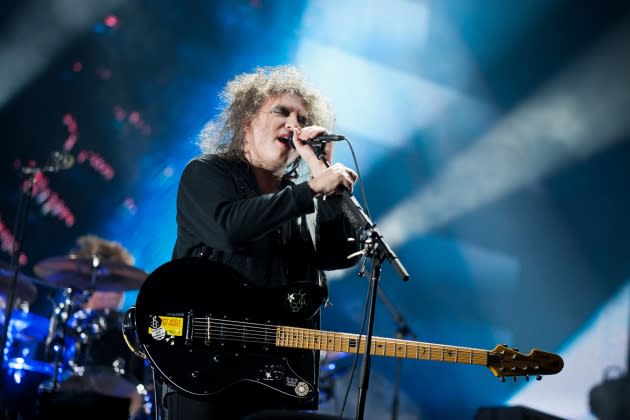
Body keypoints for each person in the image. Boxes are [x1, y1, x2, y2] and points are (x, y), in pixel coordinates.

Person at [158, 65, 362, 420]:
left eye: (301, 118)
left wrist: (326, 187)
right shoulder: (206, 173)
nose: (294, 124)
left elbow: (338, 257)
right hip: (207, 370)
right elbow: (228, 230)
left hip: (279, 375)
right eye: (281, 112)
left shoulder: (296, 199)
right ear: (246, 122)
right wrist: (311, 189)